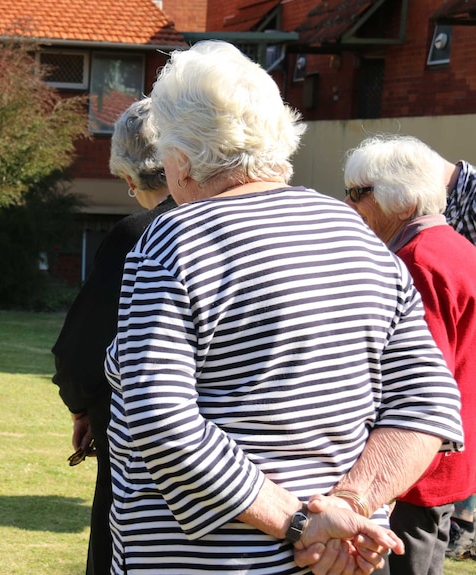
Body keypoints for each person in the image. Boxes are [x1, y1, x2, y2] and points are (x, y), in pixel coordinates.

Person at [102, 40, 464, 575]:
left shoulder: (172, 240)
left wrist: (301, 521)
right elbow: (430, 402)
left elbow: (160, 418)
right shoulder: (360, 237)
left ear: (179, 157)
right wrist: (349, 505)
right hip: (337, 558)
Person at [52, 98, 176, 575]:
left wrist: (81, 405)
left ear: (130, 178)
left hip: (143, 445)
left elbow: (82, 348)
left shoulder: (138, 234)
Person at [342, 134, 476, 575]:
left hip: (413, 470)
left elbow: (418, 383)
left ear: (399, 198)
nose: (348, 204)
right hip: (448, 462)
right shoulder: (461, 250)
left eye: (358, 192)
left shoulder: (417, 262)